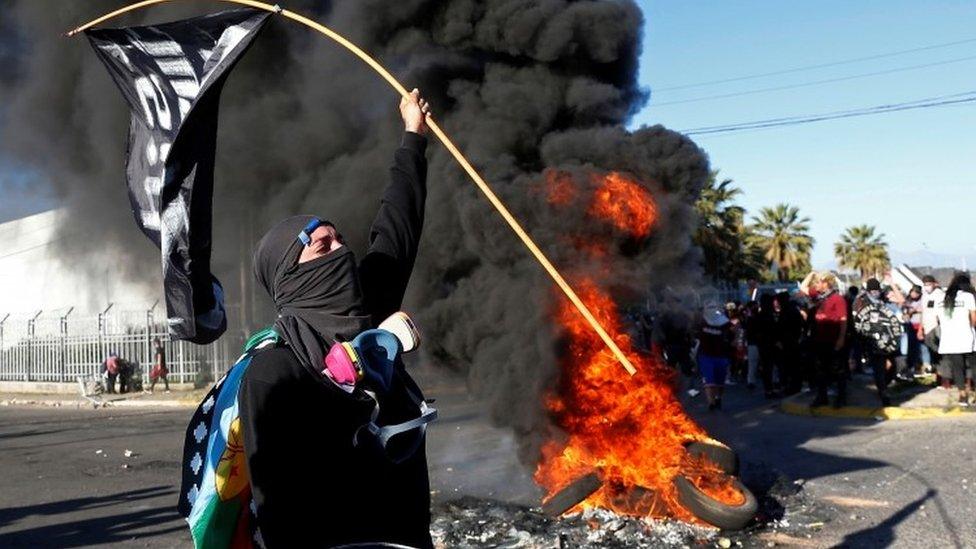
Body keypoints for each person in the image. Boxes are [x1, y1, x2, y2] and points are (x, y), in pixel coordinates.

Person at [236, 90, 434, 548]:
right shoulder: (273, 372)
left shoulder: (371, 314)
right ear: (291, 275)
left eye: (341, 239)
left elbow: (397, 229)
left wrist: (412, 136)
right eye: (323, 247)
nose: (342, 251)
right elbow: (275, 506)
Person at [852, 279, 904, 406]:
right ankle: (883, 393)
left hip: (887, 337)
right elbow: (857, 318)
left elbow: (901, 300)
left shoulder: (883, 299)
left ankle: (883, 385)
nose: (875, 293)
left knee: (895, 365)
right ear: (868, 291)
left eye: (877, 291)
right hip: (871, 338)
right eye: (872, 291)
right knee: (879, 366)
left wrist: (892, 283)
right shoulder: (862, 301)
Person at [936, 273, 976, 406]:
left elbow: (938, 319)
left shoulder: (941, 298)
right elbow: (974, 319)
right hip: (967, 337)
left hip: (949, 339)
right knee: (974, 366)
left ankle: (962, 396)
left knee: (958, 369)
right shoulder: (968, 296)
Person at [810, 273, 848, 407]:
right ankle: (822, 397)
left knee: (838, 370)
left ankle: (841, 398)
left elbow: (843, 320)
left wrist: (841, 338)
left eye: (818, 282)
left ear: (826, 283)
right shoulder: (820, 299)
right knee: (821, 370)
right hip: (820, 340)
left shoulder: (838, 299)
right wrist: (812, 274)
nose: (816, 285)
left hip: (833, 340)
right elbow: (805, 288)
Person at [697, 304, 735, 411]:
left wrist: (733, 340)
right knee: (709, 381)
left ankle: (718, 398)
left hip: (721, 356)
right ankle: (711, 402)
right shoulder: (701, 321)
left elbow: (733, 330)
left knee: (720, 383)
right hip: (706, 356)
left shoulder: (723, 322)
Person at [919, 274, 946, 383]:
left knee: (939, 354)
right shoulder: (924, 295)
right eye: (925, 285)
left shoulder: (940, 295)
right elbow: (923, 312)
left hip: (936, 328)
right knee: (932, 354)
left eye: (929, 284)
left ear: (934, 284)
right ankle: (937, 376)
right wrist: (920, 328)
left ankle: (944, 378)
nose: (927, 287)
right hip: (927, 328)